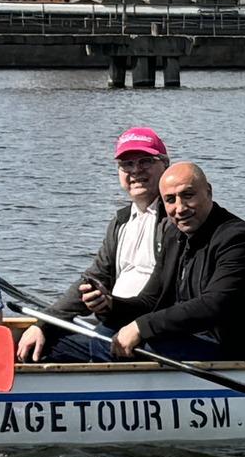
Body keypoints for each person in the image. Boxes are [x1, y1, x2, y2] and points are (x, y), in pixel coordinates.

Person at [18, 126, 173, 363]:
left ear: (165, 165)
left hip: (148, 332)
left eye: (145, 162)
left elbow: (163, 292)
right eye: (126, 165)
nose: (135, 171)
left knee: (97, 342)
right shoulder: (121, 222)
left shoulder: (176, 221)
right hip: (112, 323)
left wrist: (112, 307)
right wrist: (45, 324)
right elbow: (92, 278)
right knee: (37, 347)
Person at [107, 162, 245, 363]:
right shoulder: (174, 235)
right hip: (190, 341)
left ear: (208, 192)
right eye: (170, 200)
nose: (180, 208)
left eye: (187, 195)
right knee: (92, 336)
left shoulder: (238, 239)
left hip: (236, 356)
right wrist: (109, 305)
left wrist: (141, 327)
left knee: (141, 345)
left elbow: (213, 306)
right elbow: (151, 301)